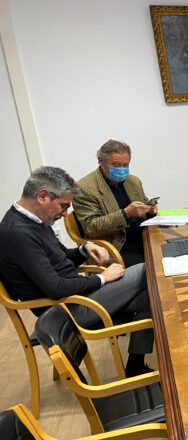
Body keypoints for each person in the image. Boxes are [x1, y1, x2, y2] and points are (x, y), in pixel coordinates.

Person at [0, 167, 155, 377]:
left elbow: (62, 257)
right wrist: (102, 279)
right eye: (63, 206)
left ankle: (135, 368)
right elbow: (55, 288)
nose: (65, 213)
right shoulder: (19, 233)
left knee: (150, 298)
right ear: (43, 196)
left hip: (76, 298)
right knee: (150, 268)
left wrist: (83, 249)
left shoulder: (36, 220)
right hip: (63, 311)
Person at [72, 139, 157, 267]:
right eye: (116, 165)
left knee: (173, 254)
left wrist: (150, 211)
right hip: (116, 247)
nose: (122, 170)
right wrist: (125, 214)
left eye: (125, 165)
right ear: (100, 161)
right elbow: (91, 226)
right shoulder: (84, 188)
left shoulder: (133, 181)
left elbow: (143, 209)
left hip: (144, 239)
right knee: (153, 268)